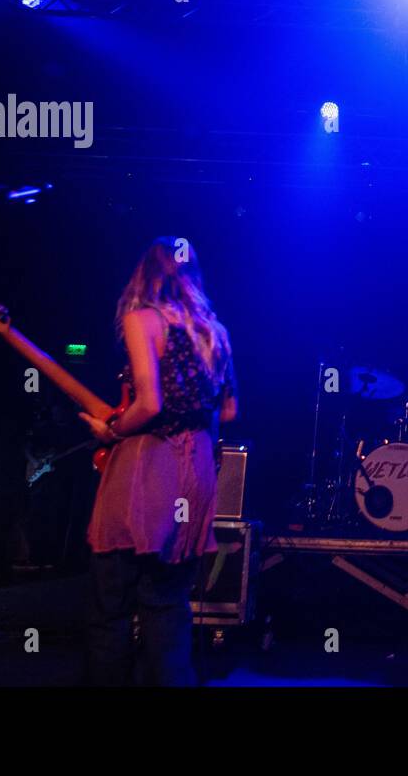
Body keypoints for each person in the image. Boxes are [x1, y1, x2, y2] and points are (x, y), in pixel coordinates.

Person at [79, 237, 237, 686]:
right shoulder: (215, 332)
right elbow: (228, 411)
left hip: (149, 469)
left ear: (144, 274)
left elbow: (148, 404)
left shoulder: (141, 320)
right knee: (168, 603)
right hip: (196, 472)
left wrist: (111, 429)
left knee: (110, 605)